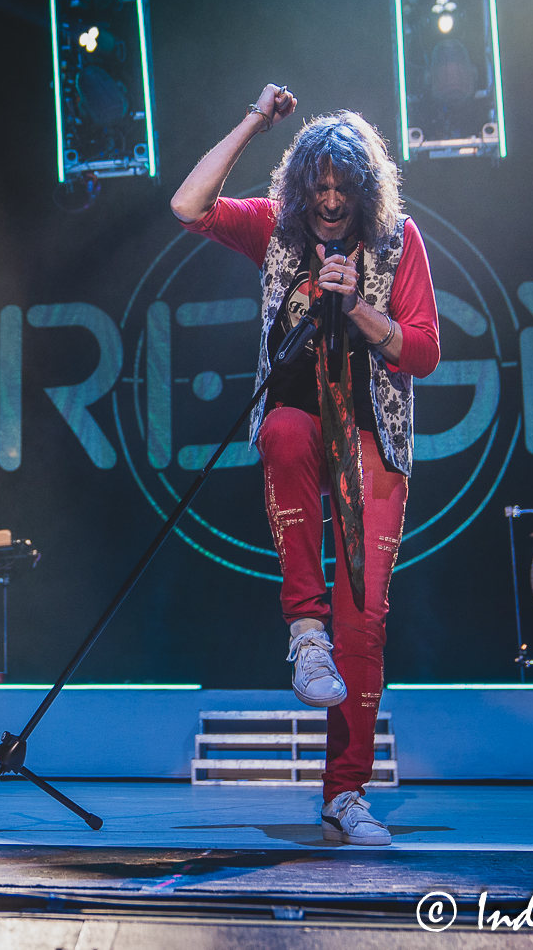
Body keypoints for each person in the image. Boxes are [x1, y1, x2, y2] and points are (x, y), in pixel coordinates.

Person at [170, 84, 441, 846]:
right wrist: (256, 119)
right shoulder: (277, 232)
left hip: (373, 437)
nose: (327, 201)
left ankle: (345, 792)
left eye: (341, 188)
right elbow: (189, 205)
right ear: (301, 187)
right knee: (284, 432)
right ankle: (303, 629)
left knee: (369, 622)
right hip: (303, 419)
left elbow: (422, 349)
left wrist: (358, 306)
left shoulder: (399, 242)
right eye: (316, 186)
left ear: (364, 190)